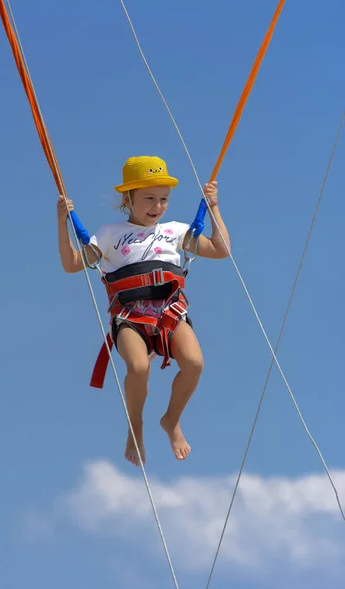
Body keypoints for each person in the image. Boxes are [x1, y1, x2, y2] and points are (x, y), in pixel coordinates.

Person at [57, 156, 230, 466]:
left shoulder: (176, 231)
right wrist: (62, 222)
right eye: (149, 198)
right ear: (128, 198)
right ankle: (134, 427)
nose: (157, 205)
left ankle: (171, 421)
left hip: (169, 313)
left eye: (163, 199)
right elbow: (72, 264)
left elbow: (221, 250)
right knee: (138, 368)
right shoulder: (111, 234)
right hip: (130, 318)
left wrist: (213, 207)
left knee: (194, 364)